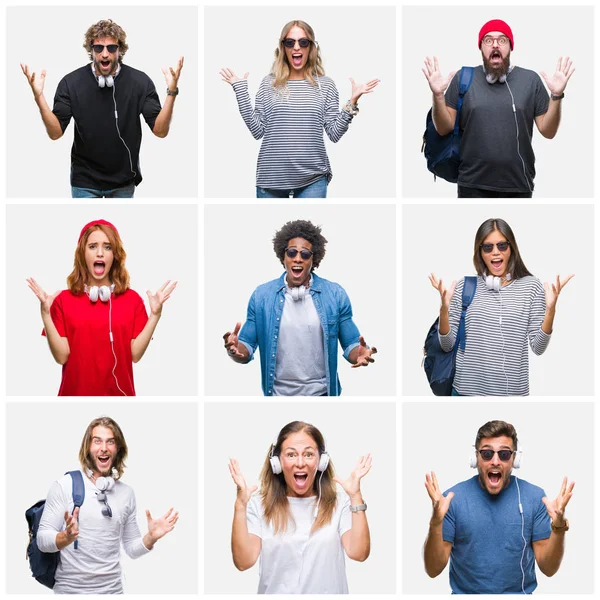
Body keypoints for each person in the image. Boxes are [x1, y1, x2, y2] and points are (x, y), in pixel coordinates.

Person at [20, 19, 184, 197]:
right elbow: (55, 133)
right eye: (98, 48)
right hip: (85, 181)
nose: (105, 54)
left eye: (111, 48)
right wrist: (39, 97)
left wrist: (172, 92)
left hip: (124, 180)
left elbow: (160, 131)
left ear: (119, 50)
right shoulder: (71, 83)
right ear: (91, 50)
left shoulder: (140, 82)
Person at [220, 19, 379, 198]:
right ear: (283, 47)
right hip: (271, 178)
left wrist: (353, 101)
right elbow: (257, 131)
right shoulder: (268, 84)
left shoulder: (325, 86)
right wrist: (240, 90)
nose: (297, 47)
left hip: (313, 179)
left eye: (303, 42)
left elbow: (334, 134)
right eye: (290, 42)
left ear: (311, 47)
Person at [422, 19, 575, 197]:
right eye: (488, 40)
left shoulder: (530, 80)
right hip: (471, 183)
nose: (495, 44)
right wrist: (438, 95)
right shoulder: (463, 78)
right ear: (481, 47)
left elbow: (548, 131)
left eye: (502, 40)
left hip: (519, 184)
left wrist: (556, 95)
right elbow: (443, 128)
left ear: (510, 47)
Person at [223, 219, 377, 396]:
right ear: (283, 256)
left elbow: (351, 345)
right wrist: (234, 350)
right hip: (277, 395)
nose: (298, 258)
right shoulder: (262, 296)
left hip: (322, 394)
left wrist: (360, 353)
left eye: (305, 254)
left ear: (314, 259)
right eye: (291, 253)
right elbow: (245, 349)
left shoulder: (334, 295)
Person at [27, 219, 177, 396]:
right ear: (82, 254)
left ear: (115, 255)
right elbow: (61, 357)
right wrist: (46, 314)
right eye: (92, 246)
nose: (100, 253)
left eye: (107, 247)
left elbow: (135, 355)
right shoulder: (62, 300)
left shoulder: (132, 300)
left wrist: (155, 315)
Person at [424, 420, 574, 594]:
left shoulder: (535, 498)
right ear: (476, 458)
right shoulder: (451, 500)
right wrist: (435, 523)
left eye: (504, 454)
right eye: (487, 453)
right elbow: (433, 570)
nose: (495, 461)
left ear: (515, 459)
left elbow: (548, 569)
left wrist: (558, 529)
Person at [428, 217, 572, 396]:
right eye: (487, 247)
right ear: (480, 253)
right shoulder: (464, 286)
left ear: (511, 248)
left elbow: (538, 348)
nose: (495, 252)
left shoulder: (532, 287)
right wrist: (444, 309)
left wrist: (551, 310)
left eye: (502, 245)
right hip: (465, 392)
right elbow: (447, 345)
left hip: (512, 394)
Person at [37, 416, 178, 594]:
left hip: (113, 592)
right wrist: (65, 537)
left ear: (118, 449)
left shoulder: (126, 494)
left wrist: (151, 537)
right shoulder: (64, 485)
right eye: (97, 441)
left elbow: (132, 549)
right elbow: (42, 539)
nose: (104, 448)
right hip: (70, 592)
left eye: (110, 442)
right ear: (88, 447)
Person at [228, 420, 371, 594]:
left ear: (321, 461)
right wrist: (240, 506)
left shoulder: (340, 503)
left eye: (309, 454)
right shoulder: (258, 505)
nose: (300, 463)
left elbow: (359, 553)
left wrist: (356, 496)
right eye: (291, 454)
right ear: (277, 462)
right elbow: (243, 562)